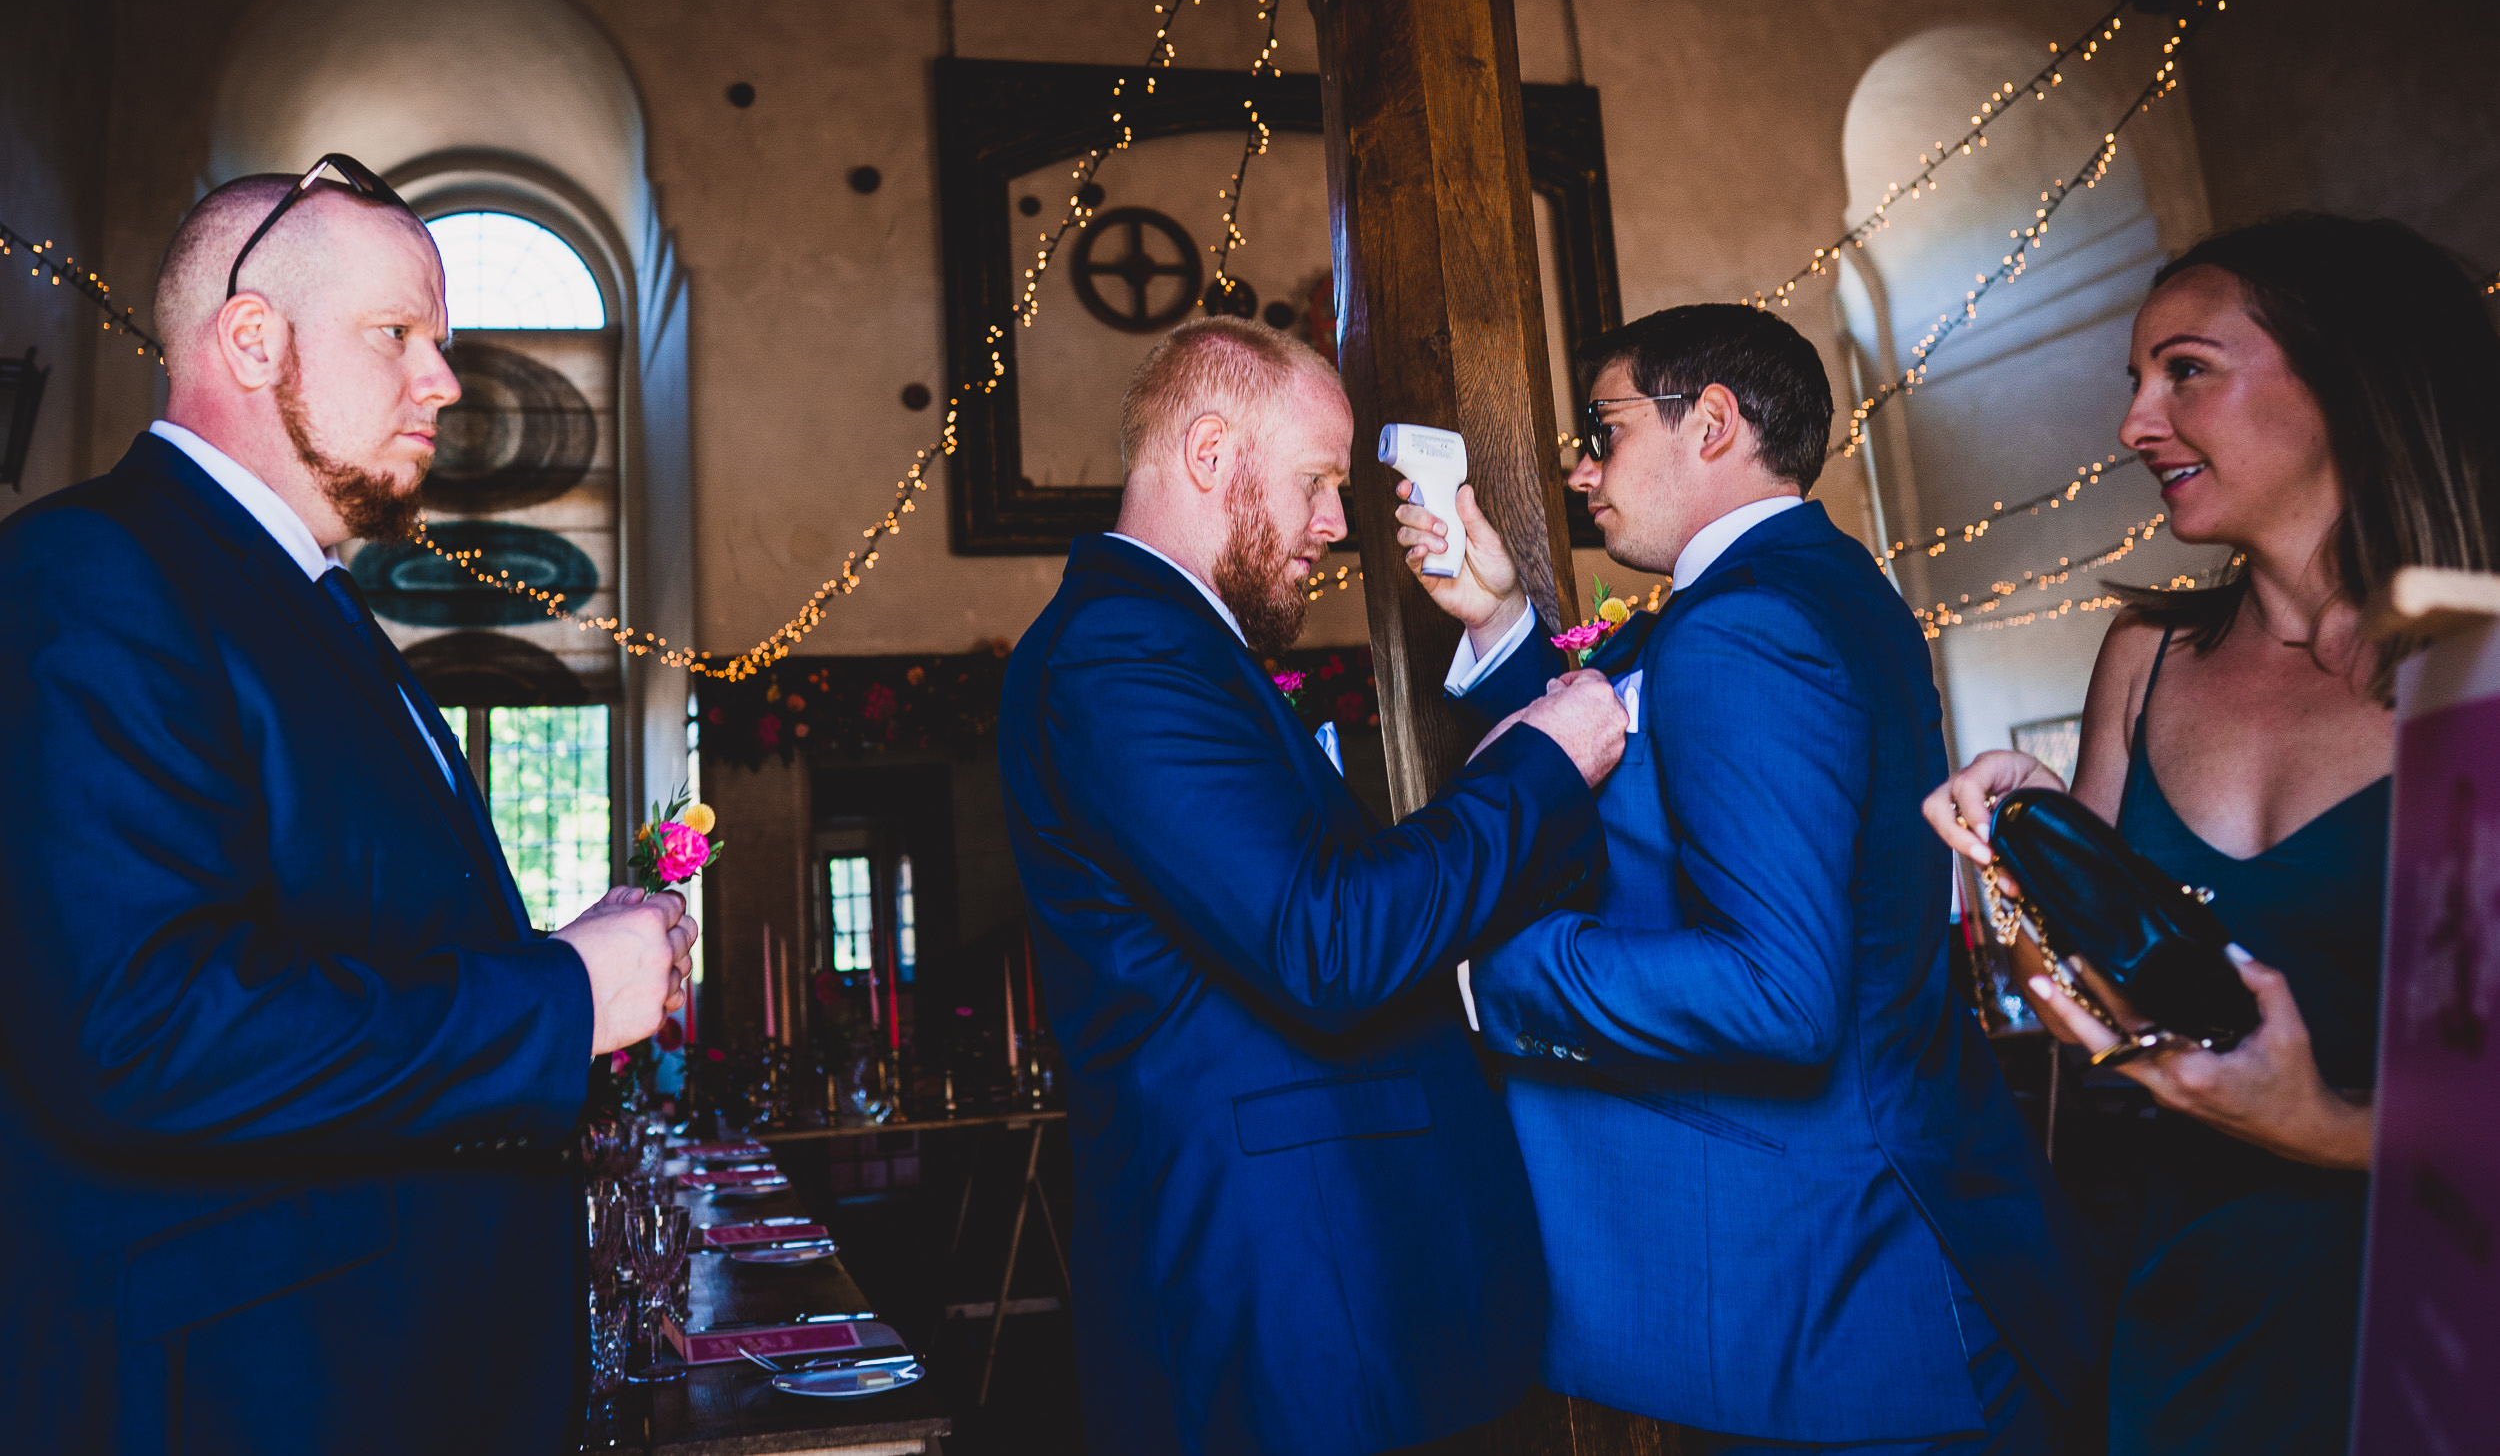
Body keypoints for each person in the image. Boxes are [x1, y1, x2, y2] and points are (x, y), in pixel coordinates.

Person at [0, 161, 695, 1455]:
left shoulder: (315, 608)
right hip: (250, 1394)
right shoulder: (96, 570)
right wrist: (561, 998)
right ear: (253, 339)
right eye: (399, 335)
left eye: (443, 343)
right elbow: (139, 1027)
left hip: (398, 1371)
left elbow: (351, 945)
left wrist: (575, 955)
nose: (442, 380)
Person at [1398, 304, 2098, 1452]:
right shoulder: (1804, 587)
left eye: (1605, 428)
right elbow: (1623, 768)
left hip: (1839, 1285)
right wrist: (1502, 621)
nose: (1582, 466)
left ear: (1711, 421)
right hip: (1867, 1249)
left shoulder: (1743, 625)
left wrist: (1489, 977)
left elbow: (1776, 989)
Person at [999, 316, 1626, 1456]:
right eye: (1317, 482)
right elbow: (1324, 939)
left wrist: (1500, 630)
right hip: (1292, 1310)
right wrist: (1548, 759)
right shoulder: (1122, 650)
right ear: (1208, 452)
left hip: (1340, 1295)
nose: (1337, 524)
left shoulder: (1177, 645)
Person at [1925, 215, 2500, 1454]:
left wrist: (2332, 1125)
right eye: (2136, 381)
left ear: (2349, 374)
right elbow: (2083, 993)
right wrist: (2017, 836)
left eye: (2184, 369)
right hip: (2184, 1314)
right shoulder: (2145, 659)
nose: (2136, 424)